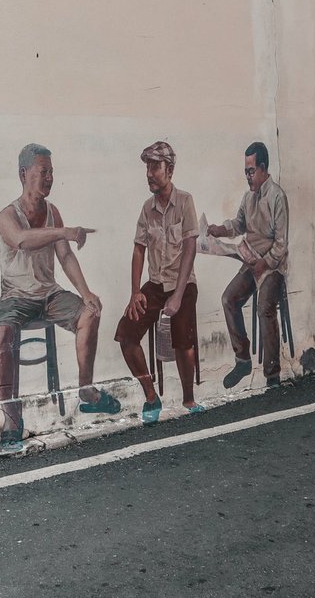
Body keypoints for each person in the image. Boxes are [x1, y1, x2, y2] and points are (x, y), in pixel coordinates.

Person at [0, 143, 120, 445]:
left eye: (51, 172)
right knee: (1, 333)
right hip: (15, 298)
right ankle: (12, 417)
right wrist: (64, 232)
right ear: (23, 174)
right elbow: (21, 240)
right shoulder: (6, 215)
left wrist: (86, 292)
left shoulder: (52, 212)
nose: (49, 178)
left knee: (90, 313)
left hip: (49, 296)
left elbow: (65, 256)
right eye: (43, 172)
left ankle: (86, 391)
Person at [115, 141, 203, 424]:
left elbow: (190, 247)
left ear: (170, 170)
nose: (149, 174)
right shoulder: (147, 208)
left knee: (183, 340)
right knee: (126, 334)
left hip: (182, 284)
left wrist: (177, 295)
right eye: (147, 168)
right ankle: (151, 396)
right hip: (155, 285)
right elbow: (139, 249)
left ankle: (188, 399)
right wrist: (135, 293)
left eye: (155, 167)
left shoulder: (185, 201)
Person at [207, 141, 289, 388]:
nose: (248, 176)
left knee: (264, 308)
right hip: (251, 261)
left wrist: (265, 263)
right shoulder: (248, 197)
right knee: (228, 299)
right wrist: (220, 230)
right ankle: (242, 359)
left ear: (263, 168)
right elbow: (239, 224)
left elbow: (281, 244)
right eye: (245, 172)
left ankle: (272, 374)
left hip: (273, 267)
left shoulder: (277, 197)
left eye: (251, 171)